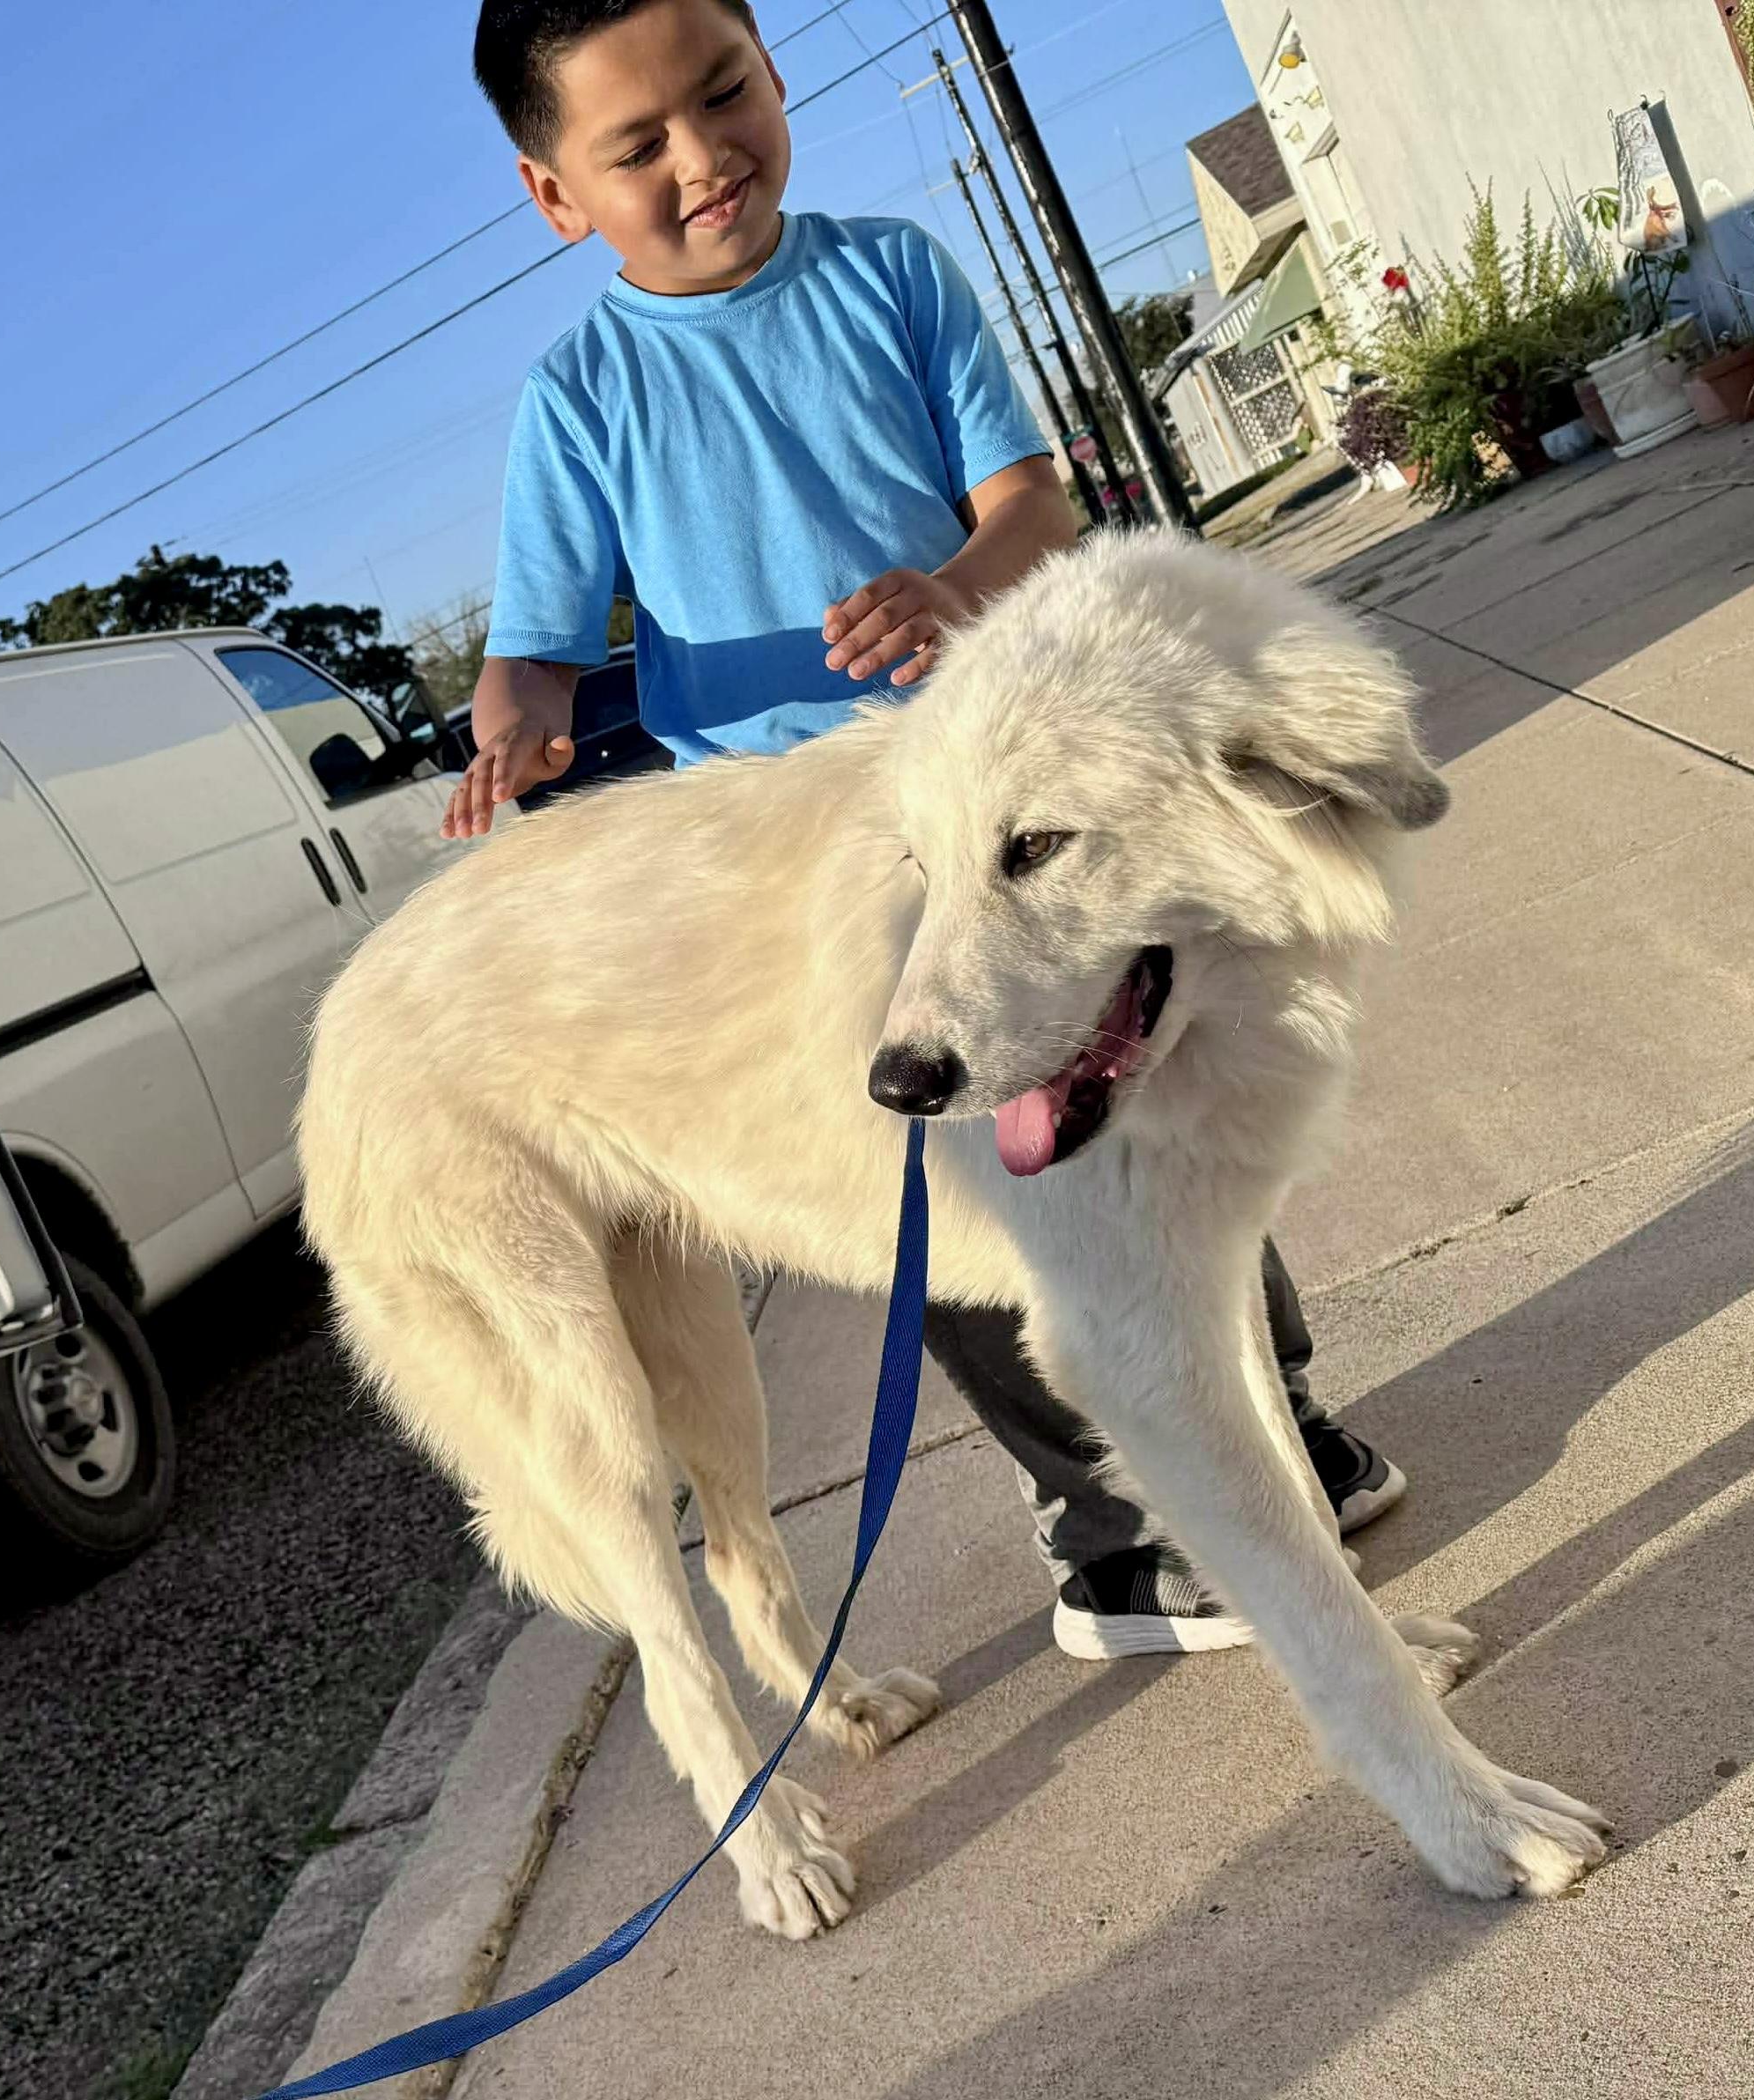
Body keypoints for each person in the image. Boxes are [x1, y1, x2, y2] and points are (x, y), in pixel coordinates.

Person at [455, 0, 1407, 1662]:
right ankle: (1106, 1537)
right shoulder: (578, 395)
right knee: (967, 1189)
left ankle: (1279, 1420)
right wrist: (517, 721)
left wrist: (955, 591)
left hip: (1001, 788)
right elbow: (531, 649)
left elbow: (1029, 505)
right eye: (638, 145)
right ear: (554, 195)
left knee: (1158, 1115)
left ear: (767, 73)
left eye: (726, 93)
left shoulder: (889, 271)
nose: (704, 156)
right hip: (807, 857)